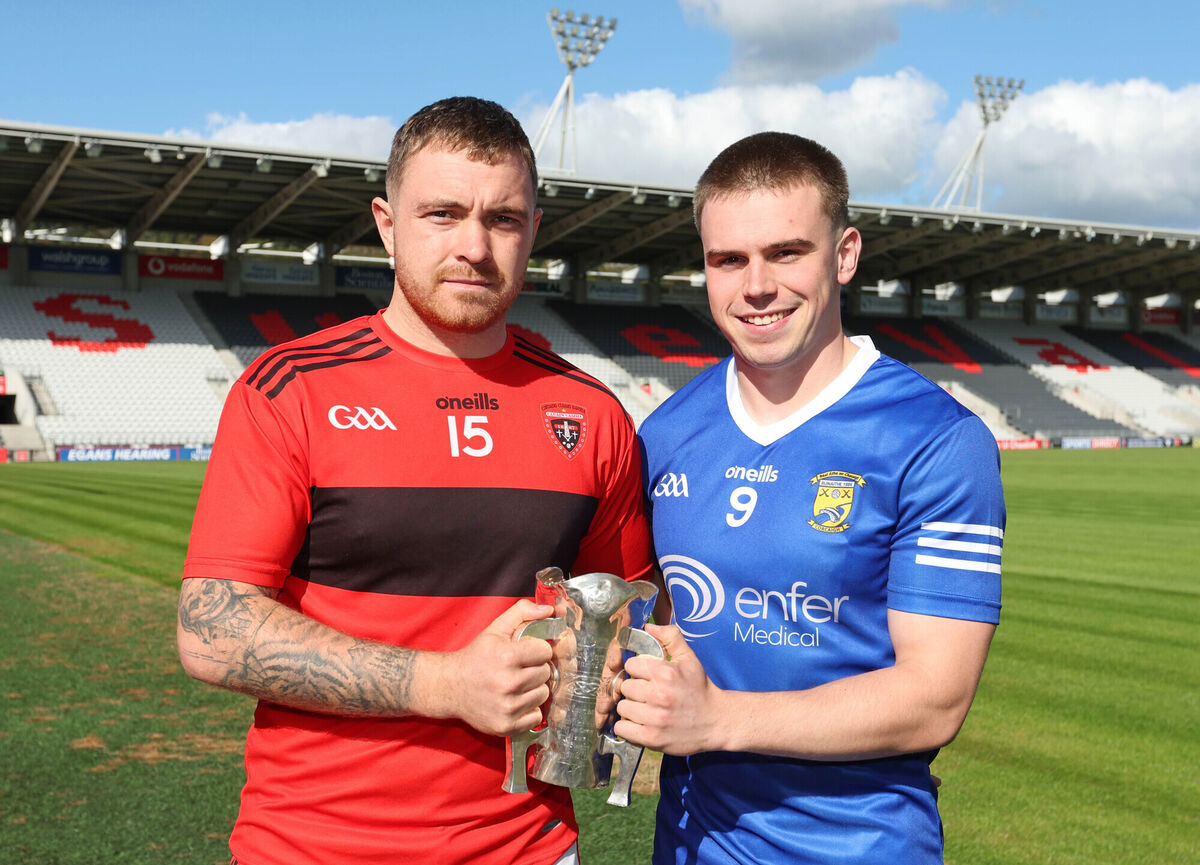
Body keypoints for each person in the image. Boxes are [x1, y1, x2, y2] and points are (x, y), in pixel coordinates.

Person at [176, 96, 655, 865]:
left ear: (533, 229)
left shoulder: (591, 414)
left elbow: (625, 612)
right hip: (312, 846)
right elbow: (210, 628)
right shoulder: (288, 390)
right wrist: (443, 683)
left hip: (527, 847)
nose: (474, 245)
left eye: (503, 218)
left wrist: (602, 681)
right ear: (387, 221)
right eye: (442, 212)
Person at [617, 131, 1005, 865]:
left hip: (859, 848)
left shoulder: (936, 439)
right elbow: (653, 625)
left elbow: (935, 697)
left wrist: (719, 719)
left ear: (845, 253)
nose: (755, 286)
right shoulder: (666, 431)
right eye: (727, 259)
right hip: (689, 844)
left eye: (786, 252)